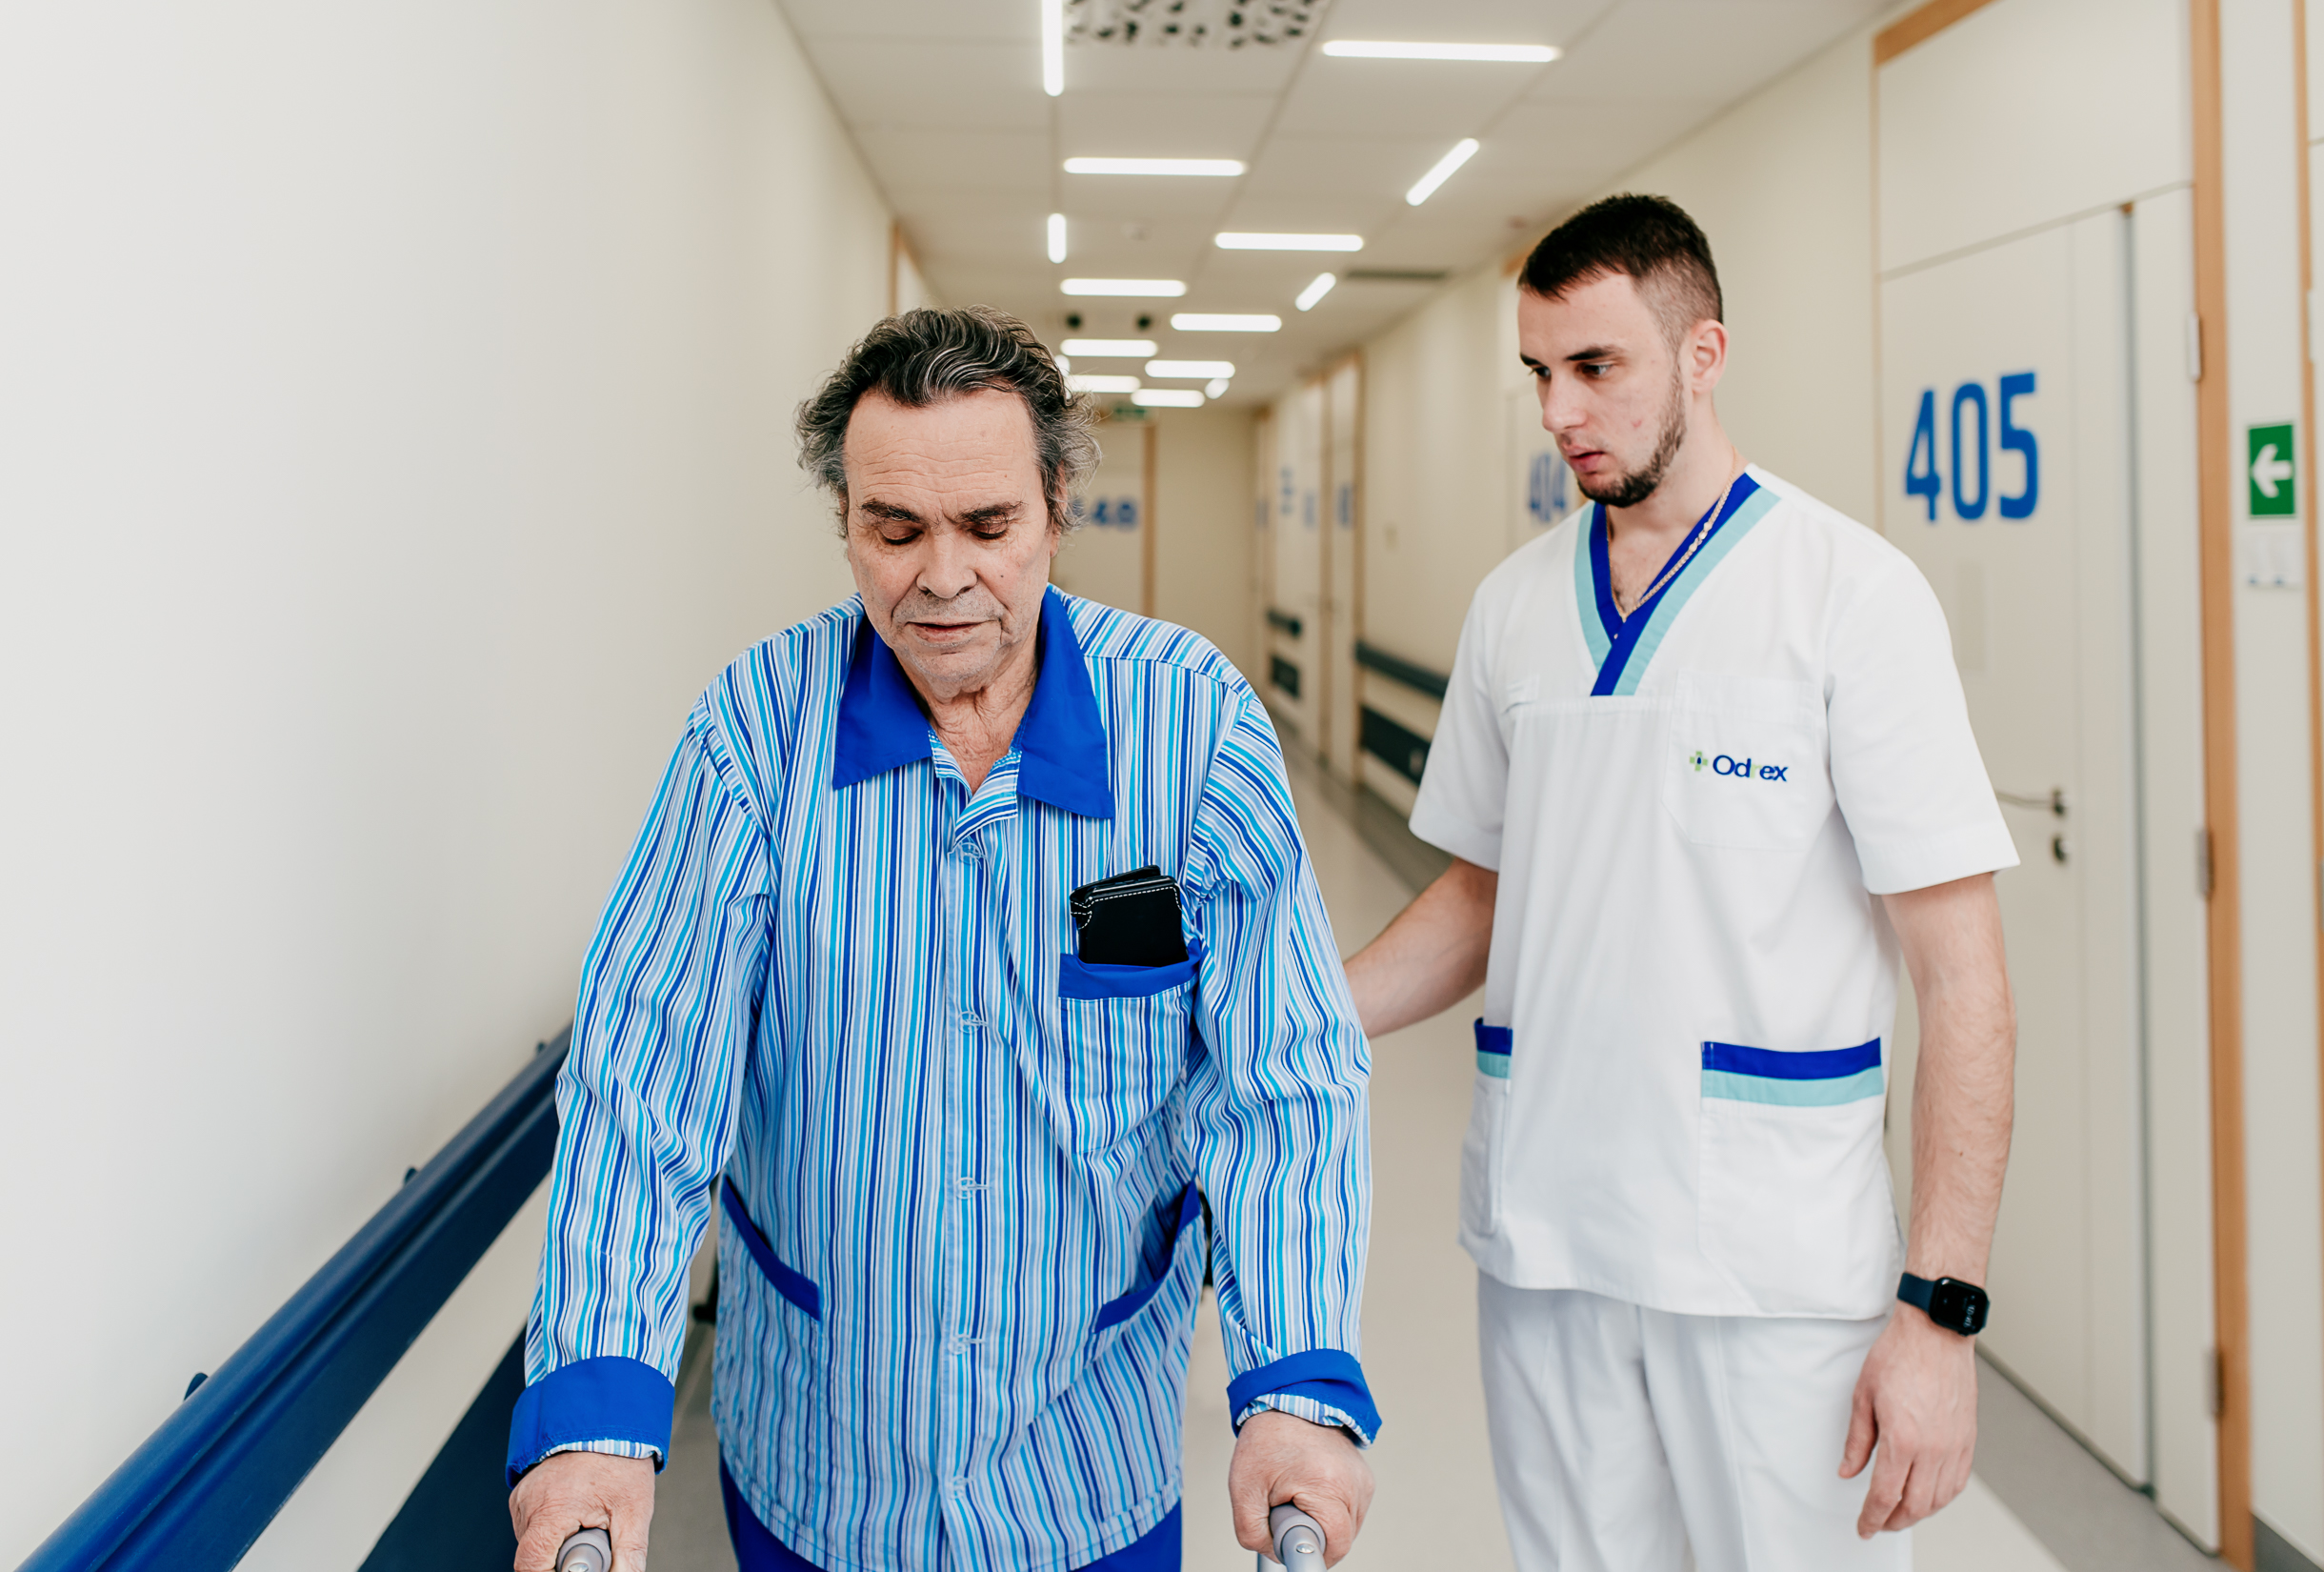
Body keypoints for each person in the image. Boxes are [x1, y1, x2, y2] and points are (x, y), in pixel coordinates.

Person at [504, 307, 1378, 1572]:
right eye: (896, 529)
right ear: (846, 522)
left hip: (1087, 1466)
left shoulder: (1192, 730)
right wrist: (595, 1397)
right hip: (823, 1466)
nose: (943, 575)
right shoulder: (754, 736)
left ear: (1058, 506)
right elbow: (645, 1076)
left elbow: (1282, 1079)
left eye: (987, 524)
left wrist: (1294, 1380)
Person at [1345, 194, 2017, 1571]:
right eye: (1540, 372)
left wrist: (1941, 1312)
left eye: (1597, 367)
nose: (1560, 412)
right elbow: (1482, 894)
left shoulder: (1848, 596)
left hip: (1769, 1266)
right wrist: (1296, 1009)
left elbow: (1963, 981)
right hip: (1546, 1242)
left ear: (1704, 353)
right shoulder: (1514, 607)